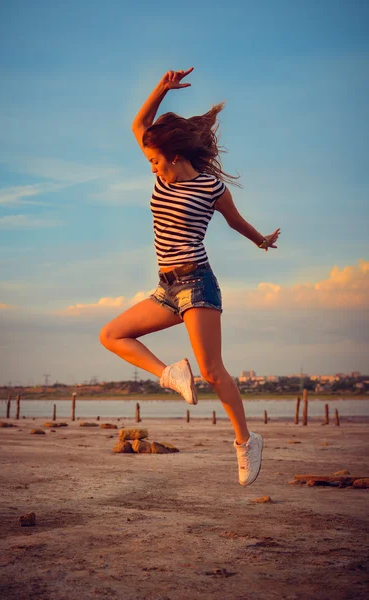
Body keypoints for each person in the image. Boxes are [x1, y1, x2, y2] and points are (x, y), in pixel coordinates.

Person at [100, 67, 280, 486]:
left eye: (155, 160)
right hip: (166, 287)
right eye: (149, 161)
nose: (151, 168)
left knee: (213, 371)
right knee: (112, 335)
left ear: (175, 156)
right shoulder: (161, 184)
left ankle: (246, 442)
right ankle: (169, 374)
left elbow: (235, 223)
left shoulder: (211, 188)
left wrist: (260, 241)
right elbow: (139, 125)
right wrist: (162, 89)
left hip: (198, 283)